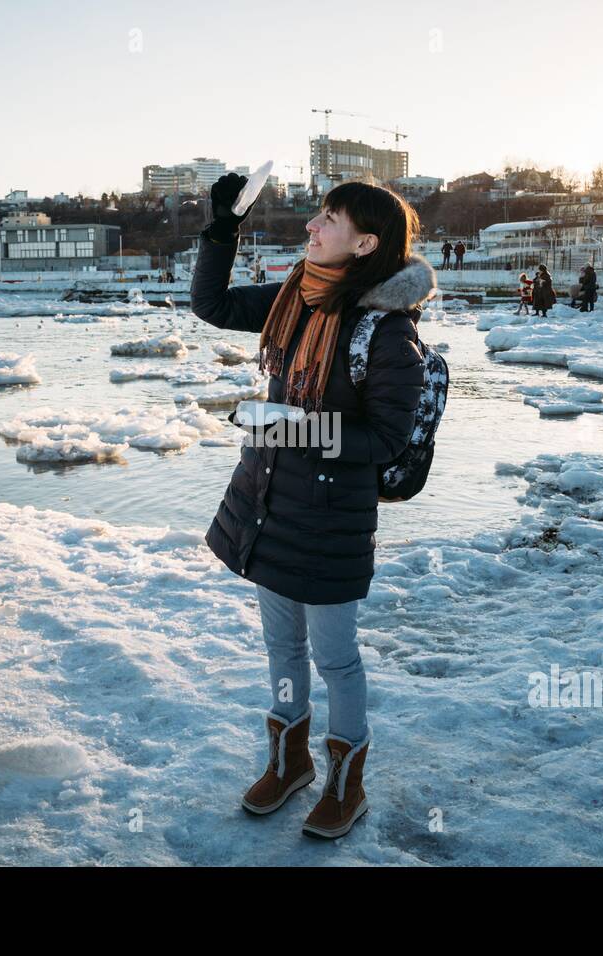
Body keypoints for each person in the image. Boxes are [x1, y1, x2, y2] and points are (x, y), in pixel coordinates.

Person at [190, 173, 432, 840]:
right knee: (281, 650)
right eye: (318, 215)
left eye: (328, 219)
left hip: (329, 521)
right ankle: (290, 761)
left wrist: (290, 425)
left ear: (365, 243)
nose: (311, 227)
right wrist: (222, 228)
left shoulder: (386, 335)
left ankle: (346, 784)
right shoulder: (297, 298)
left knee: (336, 660)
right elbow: (209, 303)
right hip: (270, 506)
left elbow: (385, 438)